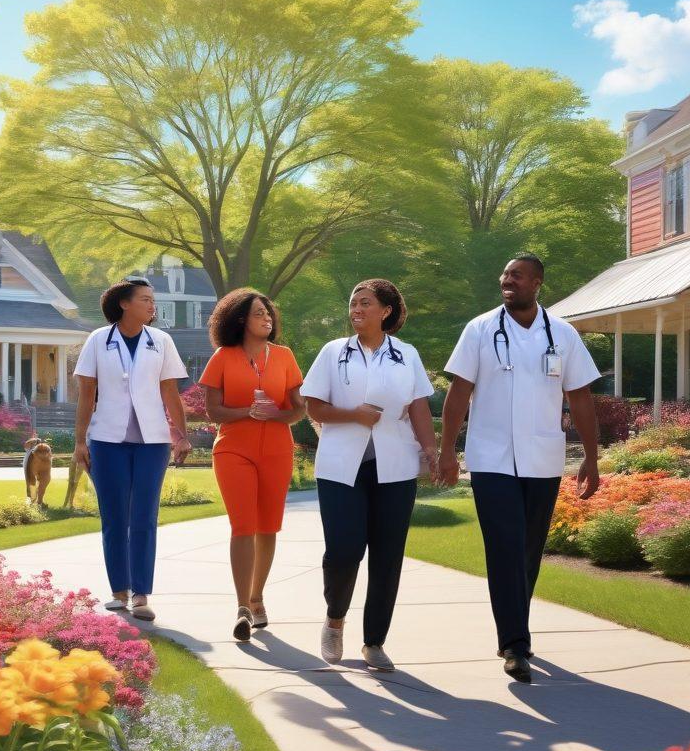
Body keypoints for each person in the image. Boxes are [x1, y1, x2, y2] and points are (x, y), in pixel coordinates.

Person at [439, 253, 600, 684]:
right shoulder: (479, 329)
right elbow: (459, 393)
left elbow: (581, 398)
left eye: (517, 275)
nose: (507, 280)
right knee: (505, 546)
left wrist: (592, 456)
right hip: (490, 459)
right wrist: (446, 451)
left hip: (542, 460)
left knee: (528, 551)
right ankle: (515, 643)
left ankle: (515, 628)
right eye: (505, 274)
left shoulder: (562, 335)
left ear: (537, 284)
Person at [302, 279, 439, 672]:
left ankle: (374, 641)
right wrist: (353, 415)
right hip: (340, 466)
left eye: (365, 303)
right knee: (344, 550)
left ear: (386, 311)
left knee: (387, 555)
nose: (356, 309)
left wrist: (431, 451)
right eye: (352, 303)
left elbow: (417, 408)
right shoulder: (333, 353)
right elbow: (313, 406)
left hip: (395, 466)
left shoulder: (406, 354)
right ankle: (334, 618)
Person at [73, 276, 192, 621]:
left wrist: (181, 435)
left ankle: (141, 594)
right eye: (145, 299)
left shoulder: (162, 341)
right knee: (114, 518)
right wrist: (80, 441)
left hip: (152, 442)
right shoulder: (98, 340)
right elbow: (86, 393)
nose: (152, 306)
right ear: (124, 303)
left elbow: (171, 391)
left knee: (143, 517)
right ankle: (119, 591)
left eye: (152, 300)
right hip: (106, 441)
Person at [199, 289, 306, 641]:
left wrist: (280, 415)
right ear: (241, 318)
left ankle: (258, 596)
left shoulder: (285, 356)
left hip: (277, 448)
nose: (268, 319)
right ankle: (242, 606)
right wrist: (247, 411)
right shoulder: (223, 357)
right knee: (242, 525)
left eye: (269, 314)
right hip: (233, 449)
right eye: (260, 313)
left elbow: (298, 409)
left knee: (268, 527)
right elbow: (213, 411)